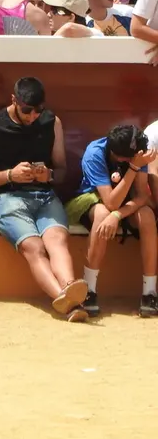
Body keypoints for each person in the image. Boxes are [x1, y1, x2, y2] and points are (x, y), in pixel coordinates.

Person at [0, 76, 88, 321]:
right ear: (14, 100)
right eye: (26, 110)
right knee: (34, 247)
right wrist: (10, 174)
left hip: (44, 194)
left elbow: (62, 170)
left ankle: (69, 287)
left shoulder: (52, 122)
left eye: (37, 110)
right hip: (7, 197)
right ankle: (68, 302)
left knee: (57, 240)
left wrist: (49, 175)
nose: (33, 116)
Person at [65, 125, 158, 317]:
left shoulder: (138, 152)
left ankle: (150, 293)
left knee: (147, 216)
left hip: (125, 204)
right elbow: (110, 202)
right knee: (101, 214)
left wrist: (117, 216)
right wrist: (133, 167)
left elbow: (140, 196)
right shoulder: (94, 153)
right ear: (120, 156)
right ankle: (88, 290)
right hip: (90, 198)